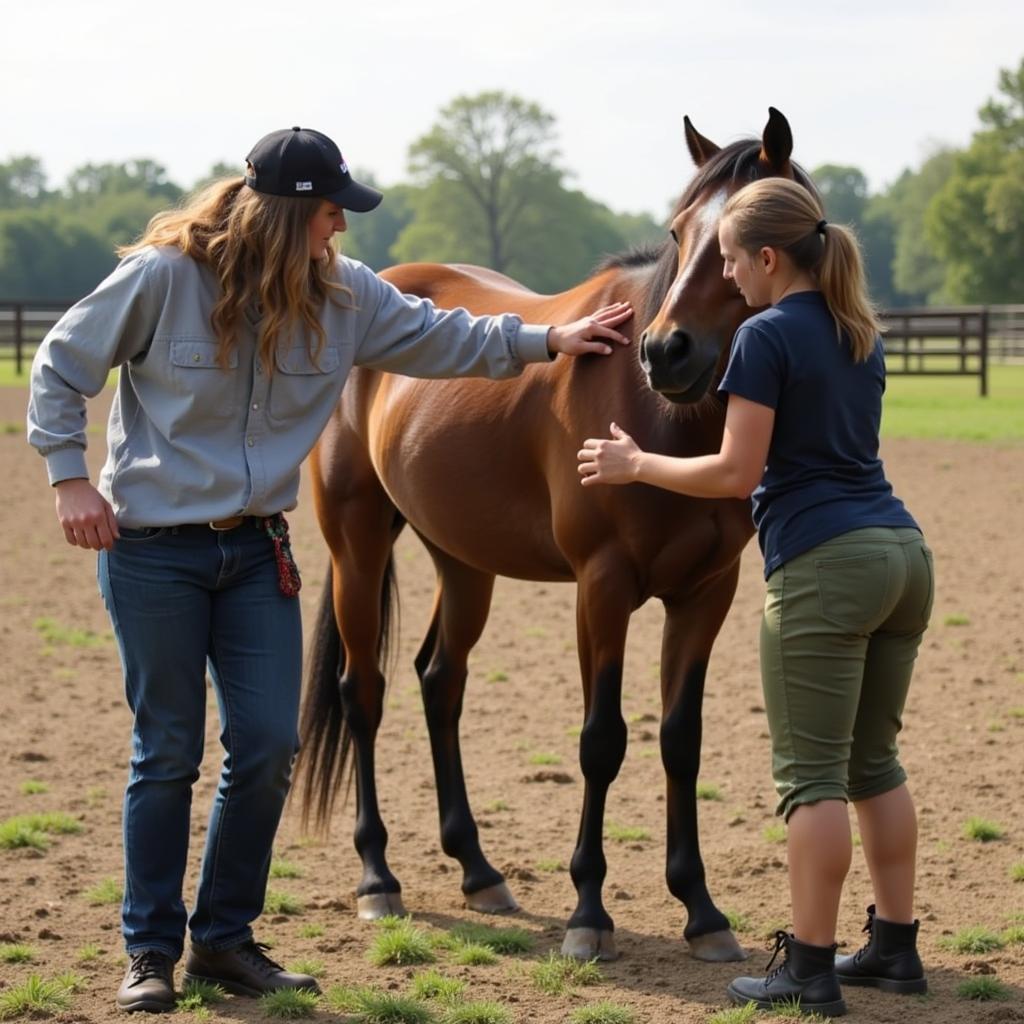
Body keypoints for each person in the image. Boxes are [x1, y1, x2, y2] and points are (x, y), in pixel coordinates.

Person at [27, 126, 633, 1014]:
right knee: (167, 754)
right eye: (326, 216)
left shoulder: (347, 298)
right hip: (155, 550)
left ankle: (223, 942)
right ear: (284, 214)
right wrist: (68, 477)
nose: (338, 233)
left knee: (269, 746)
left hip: (255, 552)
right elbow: (60, 365)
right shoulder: (163, 280)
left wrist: (552, 339)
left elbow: (447, 337)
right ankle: (150, 949)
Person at [576, 177, 932, 1018]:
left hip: (824, 565)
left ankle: (807, 968)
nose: (725, 277)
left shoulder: (765, 336)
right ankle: (895, 947)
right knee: (874, 766)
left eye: (732, 260)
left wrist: (637, 467)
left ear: (769, 258)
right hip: (903, 555)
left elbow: (736, 472)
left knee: (811, 782)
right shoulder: (858, 331)